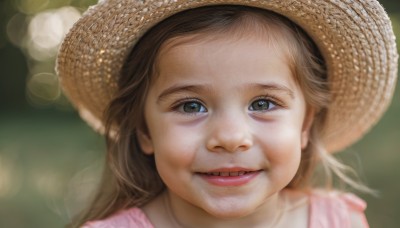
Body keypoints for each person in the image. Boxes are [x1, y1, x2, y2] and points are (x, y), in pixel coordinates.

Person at [56, 0, 398, 227]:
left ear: (305, 125)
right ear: (144, 130)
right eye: (190, 106)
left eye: (263, 104)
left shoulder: (338, 221)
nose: (230, 137)